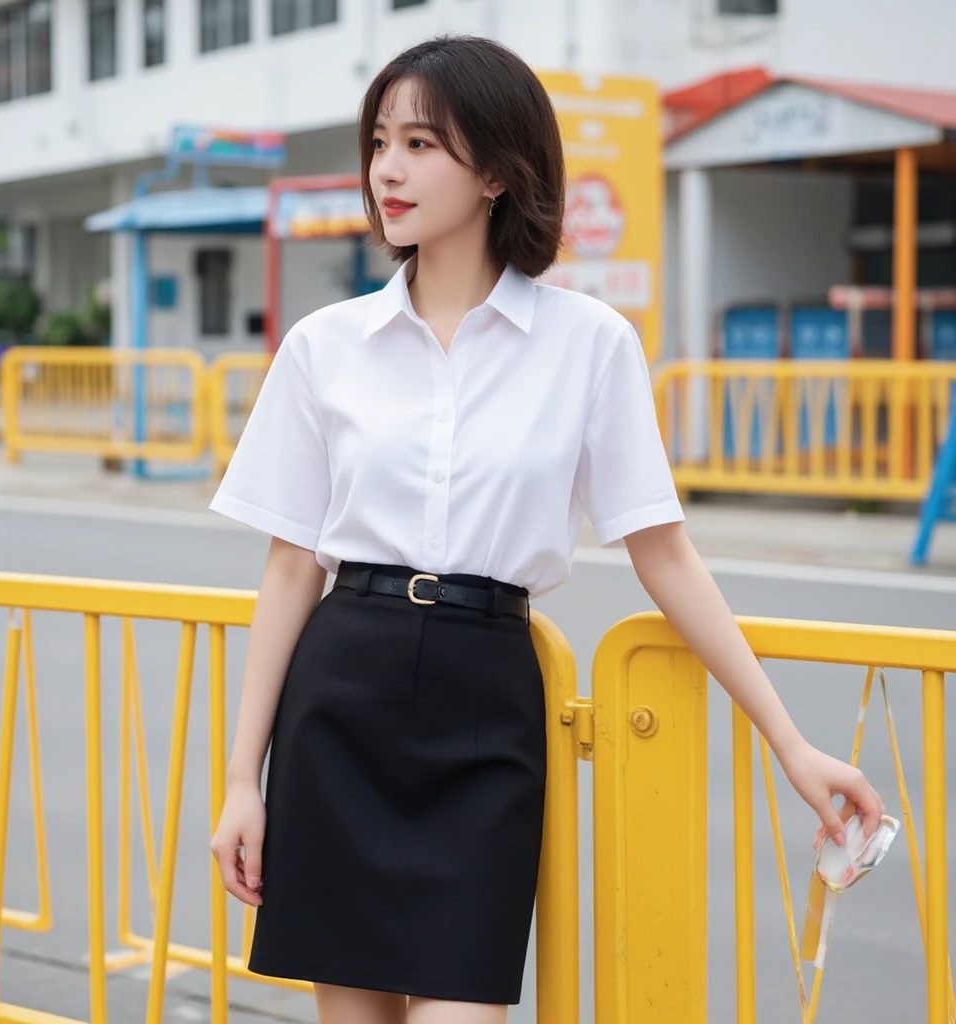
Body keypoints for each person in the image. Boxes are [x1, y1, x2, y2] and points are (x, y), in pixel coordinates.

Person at [208, 33, 884, 1024]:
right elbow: (287, 571)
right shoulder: (324, 348)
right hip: (338, 699)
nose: (387, 168)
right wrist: (241, 782)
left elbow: (662, 553)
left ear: (495, 169)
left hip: (486, 707)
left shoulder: (589, 345)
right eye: (379, 141)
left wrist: (787, 742)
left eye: (421, 144)